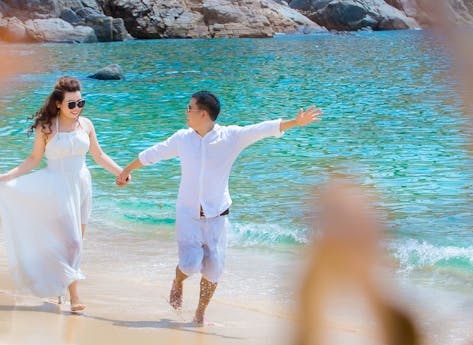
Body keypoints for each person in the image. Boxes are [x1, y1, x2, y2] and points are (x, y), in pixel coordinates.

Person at [116, 91, 322, 326]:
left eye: (189, 108)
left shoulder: (230, 137)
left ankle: (200, 314)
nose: (186, 112)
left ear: (203, 114)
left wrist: (296, 122)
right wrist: (127, 170)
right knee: (190, 265)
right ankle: (178, 280)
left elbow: (262, 129)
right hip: (188, 214)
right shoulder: (182, 139)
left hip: (217, 215)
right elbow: (154, 153)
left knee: (213, 270)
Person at [0, 76, 125, 313]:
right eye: (71, 104)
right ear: (58, 104)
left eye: (80, 102)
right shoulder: (47, 127)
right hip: (56, 188)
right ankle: (74, 295)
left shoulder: (86, 125)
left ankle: (58, 285)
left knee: (76, 243)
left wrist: (121, 172)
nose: (77, 108)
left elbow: (99, 155)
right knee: (72, 242)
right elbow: (33, 159)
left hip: (82, 186)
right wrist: (9, 176)